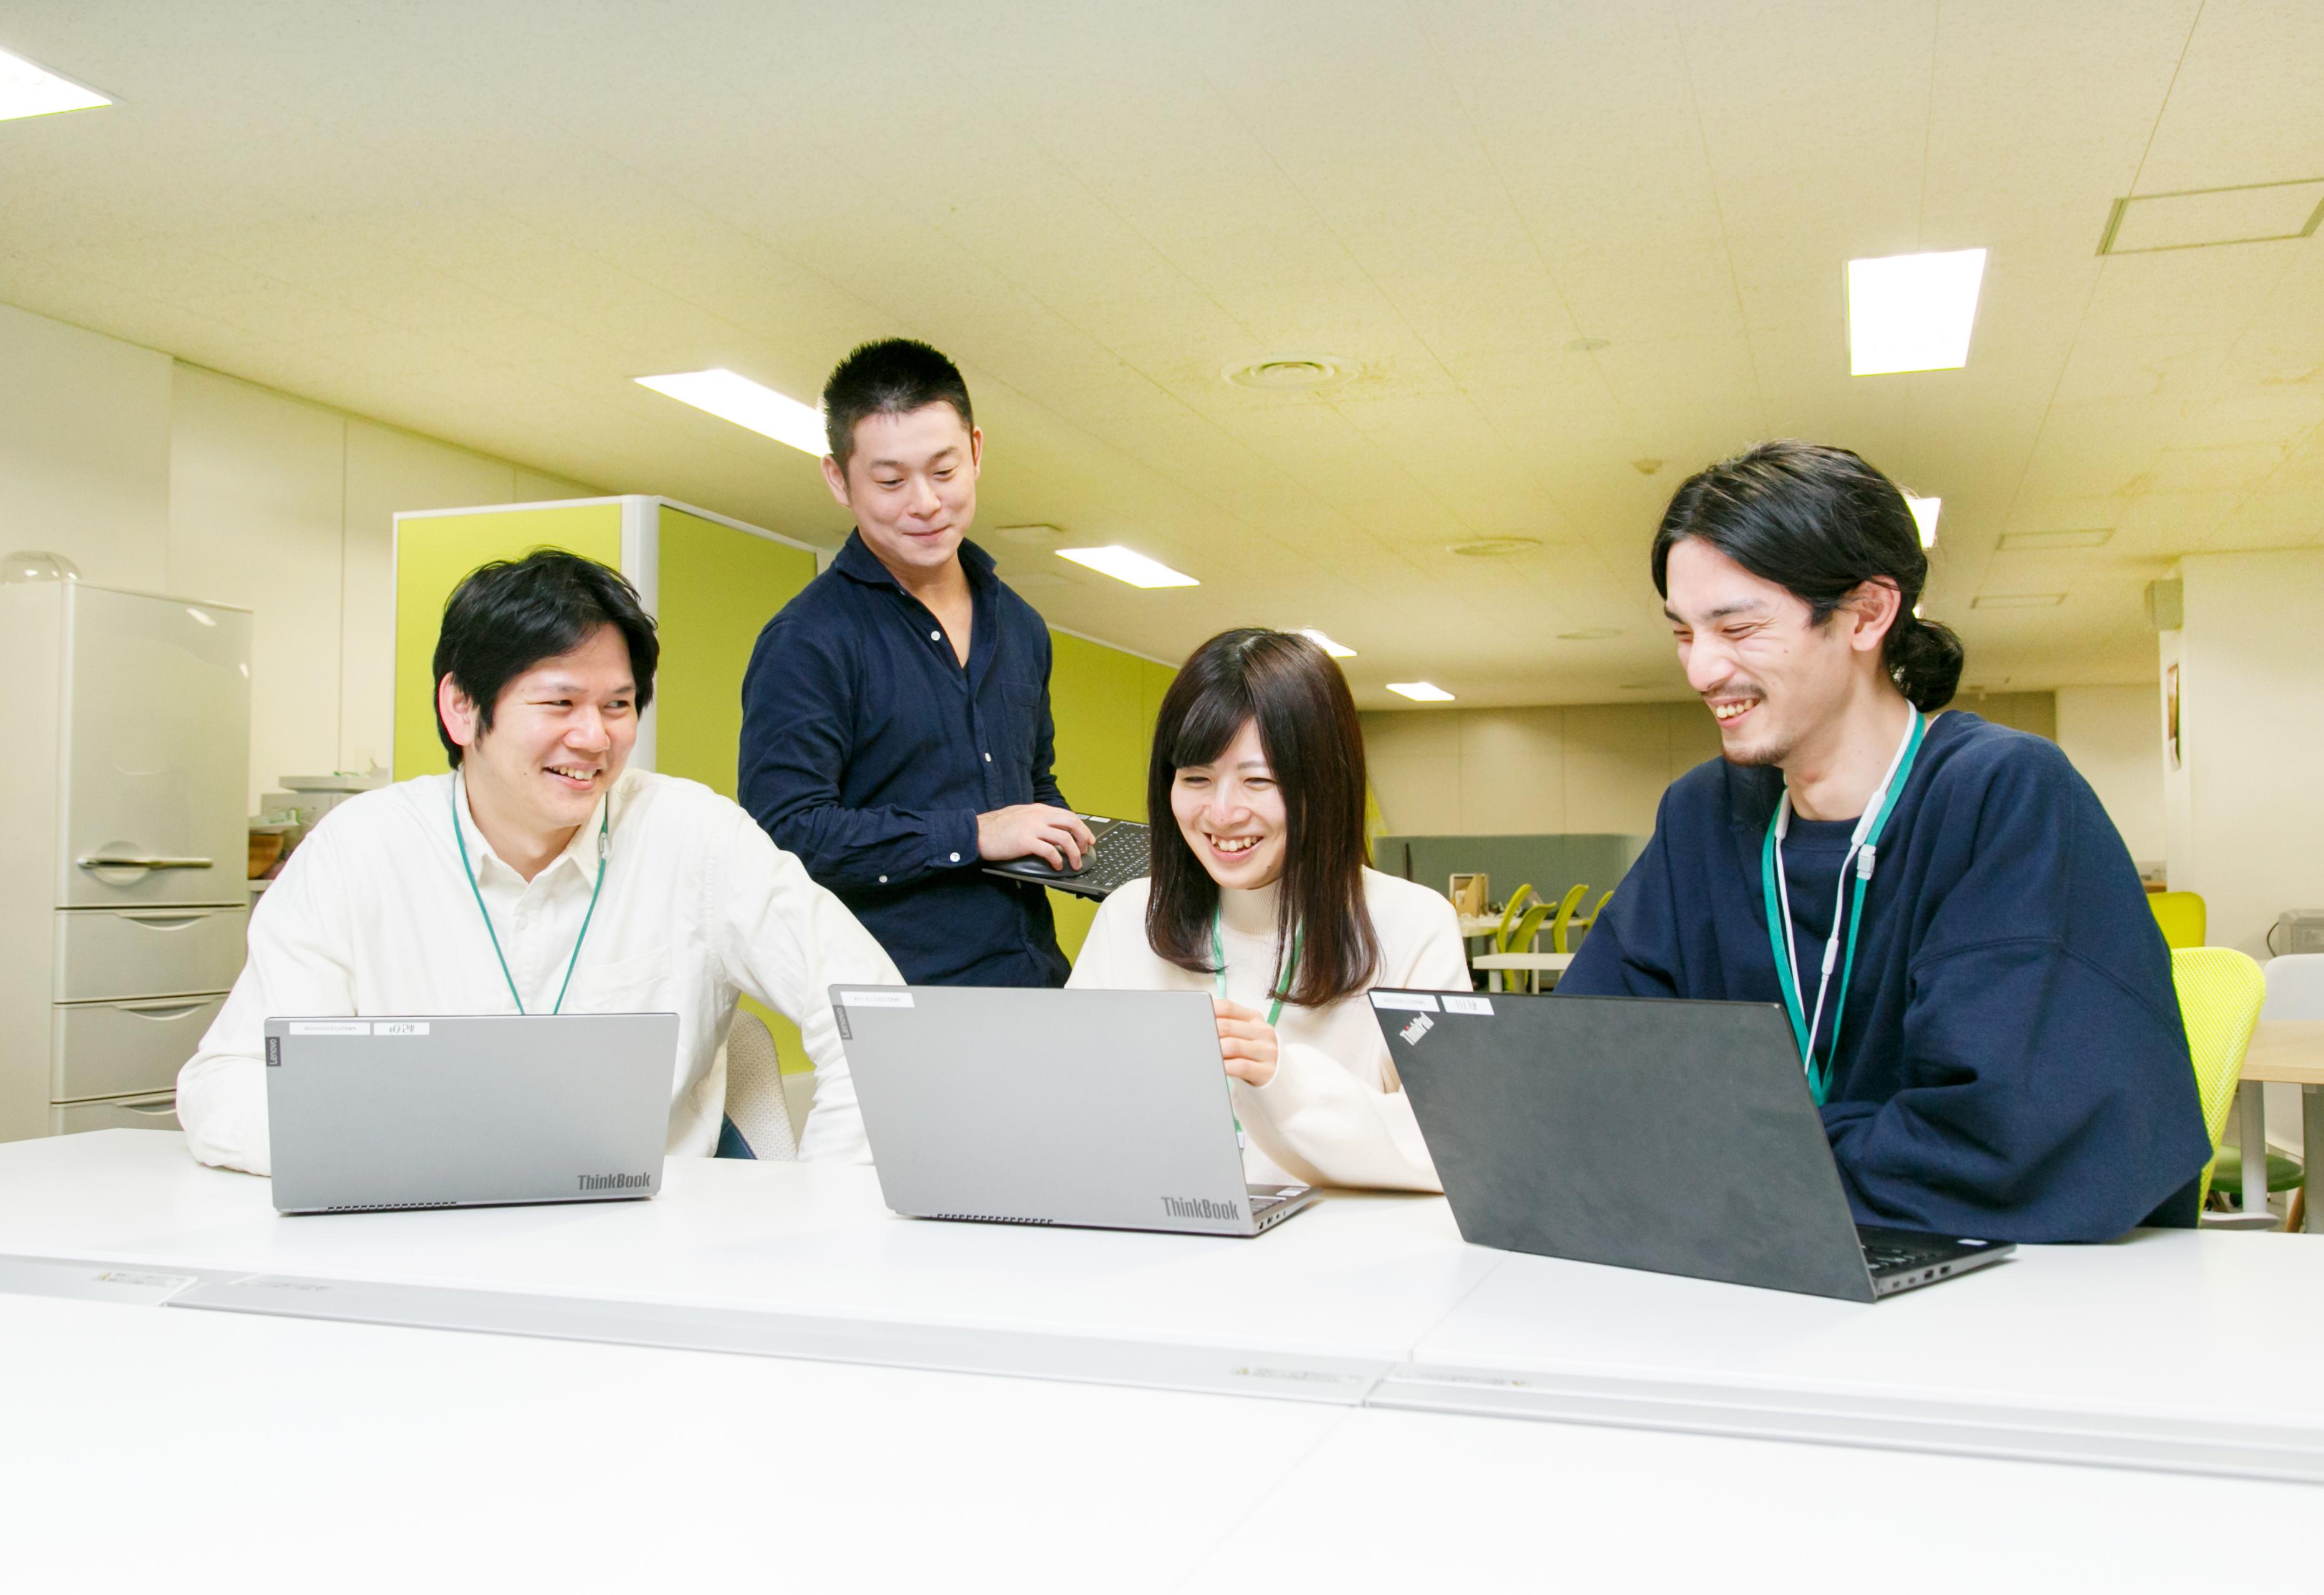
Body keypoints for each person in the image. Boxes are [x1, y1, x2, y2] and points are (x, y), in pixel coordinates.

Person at [1556, 440, 2209, 1242]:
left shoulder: (2003, 796)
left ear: (1867, 613)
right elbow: (1583, 1066)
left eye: (1739, 627)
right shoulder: (1702, 816)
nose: (1701, 671)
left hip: (1992, 1279)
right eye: (1684, 633)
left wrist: (1724, 1153)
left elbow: (2010, 1141)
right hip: (1754, 1256)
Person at [175, 550, 898, 1176]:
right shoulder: (361, 850)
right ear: (462, 708)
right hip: (421, 1234)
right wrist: (405, 1152)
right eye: (560, 702)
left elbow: (872, 1008)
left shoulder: (692, 836)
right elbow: (228, 1084)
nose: (594, 737)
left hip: (647, 1247)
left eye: (618, 704)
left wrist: (826, 1203)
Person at [738, 338, 1090, 987]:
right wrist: (972, 835)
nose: (925, 502)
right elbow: (787, 832)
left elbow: (1032, 783)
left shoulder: (1020, 626)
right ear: (839, 479)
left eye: (944, 471)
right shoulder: (808, 639)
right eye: (891, 481)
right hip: (897, 1000)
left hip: (1035, 981)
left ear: (976, 453)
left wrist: (1076, 844)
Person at [1068, 629, 1469, 1191]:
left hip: (1343, 1243)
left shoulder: (1413, 924)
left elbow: (1458, 1145)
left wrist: (1285, 1079)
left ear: (1324, 785)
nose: (1222, 813)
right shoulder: (1131, 915)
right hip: (1164, 1230)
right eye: (1196, 778)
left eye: (1258, 780)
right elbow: (1066, 1106)